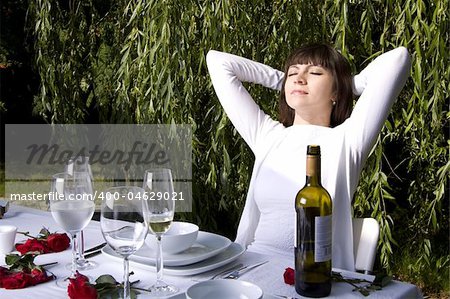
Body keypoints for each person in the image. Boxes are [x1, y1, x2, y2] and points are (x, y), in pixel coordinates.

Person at [206, 43, 411, 271]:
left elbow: (398, 59)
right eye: (293, 72)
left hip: (314, 276)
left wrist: (346, 85)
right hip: (252, 266)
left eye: (314, 73)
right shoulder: (266, 135)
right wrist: (283, 80)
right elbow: (218, 61)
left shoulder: (348, 140)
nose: (299, 78)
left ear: (335, 93)